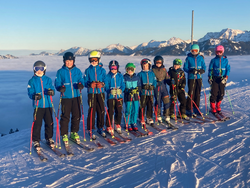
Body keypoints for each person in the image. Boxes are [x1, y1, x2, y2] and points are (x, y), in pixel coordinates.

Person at [54, 52, 84, 145]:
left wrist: (80, 85)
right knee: (65, 116)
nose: (69, 63)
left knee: (76, 115)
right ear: (64, 61)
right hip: (66, 97)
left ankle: (74, 132)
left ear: (73, 61)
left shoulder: (77, 71)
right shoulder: (60, 71)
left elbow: (81, 80)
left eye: (70, 61)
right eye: (67, 61)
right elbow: (57, 82)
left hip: (76, 96)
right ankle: (64, 134)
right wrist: (59, 87)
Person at [28, 60, 55, 149]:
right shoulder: (32, 81)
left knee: (49, 122)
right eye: (37, 68)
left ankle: (49, 138)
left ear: (44, 69)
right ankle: (36, 140)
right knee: (37, 123)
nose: (39, 70)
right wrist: (34, 96)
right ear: (34, 70)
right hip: (38, 106)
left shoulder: (48, 79)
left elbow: (52, 89)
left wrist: (51, 92)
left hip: (48, 105)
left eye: (41, 68)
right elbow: (30, 92)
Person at [84, 51, 106, 139]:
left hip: (100, 92)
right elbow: (84, 82)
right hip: (91, 93)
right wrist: (90, 84)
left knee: (101, 110)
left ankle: (100, 127)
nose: (93, 61)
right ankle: (91, 128)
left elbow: (106, 81)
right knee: (92, 110)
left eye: (95, 60)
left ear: (98, 59)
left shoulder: (102, 70)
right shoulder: (88, 70)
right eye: (91, 60)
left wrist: (102, 84)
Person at [183, 44, 206, 117]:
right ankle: (189, 108)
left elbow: (204, 66)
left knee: (198, 93)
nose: (194, 52)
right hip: (191, 78)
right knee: (191, 93)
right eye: (192, 51)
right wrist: (191, 70)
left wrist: (202, 71)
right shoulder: (188, 58)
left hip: (199, 78)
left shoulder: (201, 58)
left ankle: (196, 108)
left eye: (195, 51)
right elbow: (185, 68)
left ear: (198, 51)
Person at [104, 60, 125, 134]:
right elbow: (106, 86)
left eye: (115, 68)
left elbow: (123, 84)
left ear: (117, 68)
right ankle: (108, 125)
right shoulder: (107, 76)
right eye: (112, 68)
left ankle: (117, 123)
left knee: (119, 111)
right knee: (110, 111)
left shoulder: (120, 76)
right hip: (111, 97)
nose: (113, 69)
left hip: (119, 97)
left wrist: (121, 90)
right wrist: (109, 91)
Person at [208, 45, 230, 113]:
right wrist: (209, 77)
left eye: (220, 52)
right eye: (217, 52)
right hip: (215, 78)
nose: (218, 53)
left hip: (222, 78)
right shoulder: (213, 60)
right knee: (214, 93)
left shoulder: (225, 60)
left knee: (221, 93)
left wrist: (226, 77)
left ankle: (218, 105)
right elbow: (210, 69)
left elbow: (228, 69)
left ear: (223, 52)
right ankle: (213, 106)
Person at [137, 58, 157, 126]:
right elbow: (138, 82)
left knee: (150, 105)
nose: (145, 67)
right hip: (143, 92)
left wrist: (153, 86)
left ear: (149, 65)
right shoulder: (140, 74)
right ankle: (141, 117)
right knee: (143, 105)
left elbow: (155, 81)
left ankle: (149, 117)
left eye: (146, 65)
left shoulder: (152, 73)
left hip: (151, 92)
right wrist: (142, 87)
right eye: (143, 66)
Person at [152, 55, 171, 123]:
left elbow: (167, 77)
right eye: (157, 63)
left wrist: (170, 81)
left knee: (166, 101)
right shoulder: (153, 70)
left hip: (164, 87)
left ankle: (166, 115)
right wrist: (156, 82)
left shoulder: (164, 69)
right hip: (157, 88)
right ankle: (158, 115)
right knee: (158, 101)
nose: (158, 64)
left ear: (162, 62)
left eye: (159, 63)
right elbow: (152, 79)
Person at [123, 63, 141, 131]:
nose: (130, 71)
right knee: (128, 110)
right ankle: (128, 123)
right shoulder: (124, 77)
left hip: (135, 96)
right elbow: (123, 87)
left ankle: (134, 122)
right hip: (128, 96)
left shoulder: (136, 77)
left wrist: (137, 89)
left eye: (131, 69)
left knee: (135, 109)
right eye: (128, 69)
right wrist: (128, 90)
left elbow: (139, 86)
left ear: (134, 70)